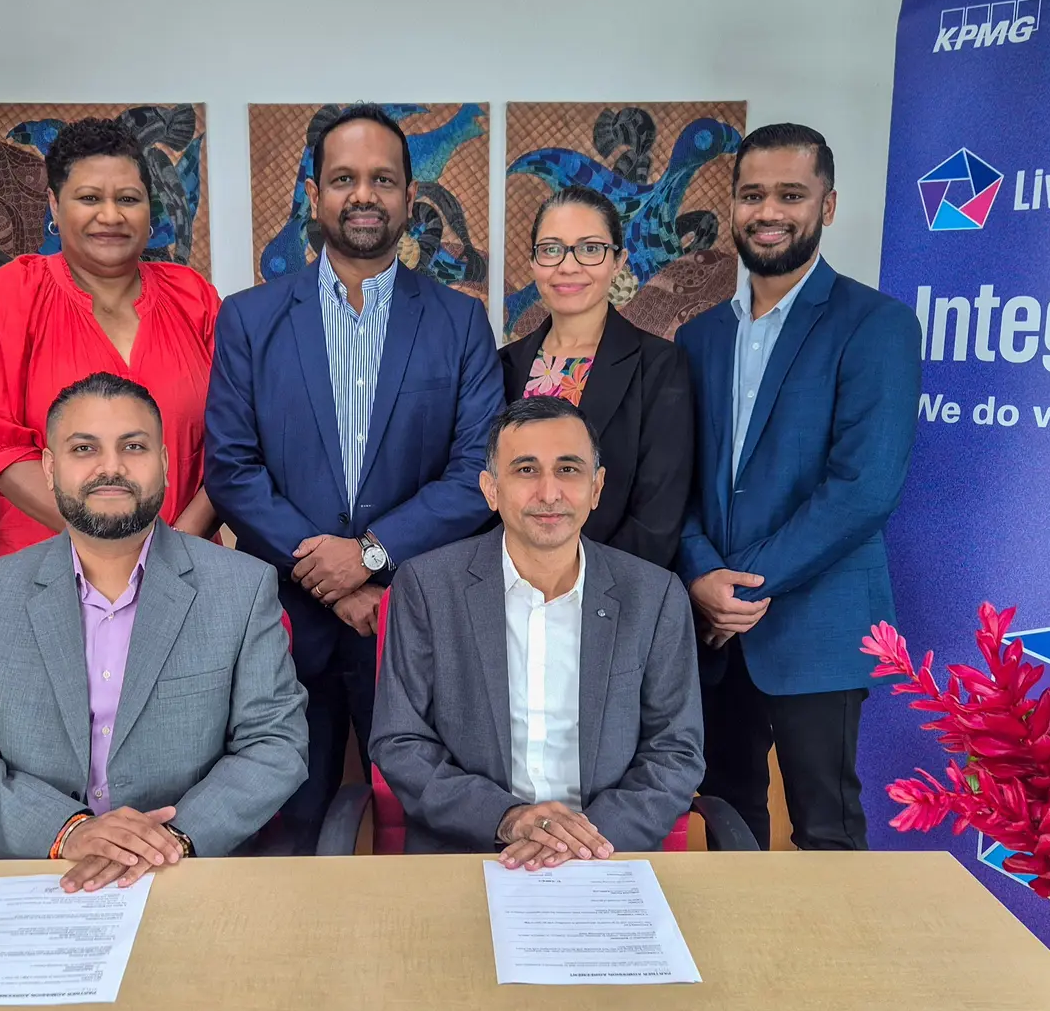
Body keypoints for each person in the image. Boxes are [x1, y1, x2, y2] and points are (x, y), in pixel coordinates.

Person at [205, 103, 503, 852]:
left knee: (421, 826)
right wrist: (329, 572)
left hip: (412, 621)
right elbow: (232, 468)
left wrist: (367, 556)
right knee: (286, 829)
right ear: (313, 195)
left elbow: (476, 472)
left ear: (408, 196)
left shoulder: (461, 323)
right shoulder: (250, 318)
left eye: (381, 179)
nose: (362, 194)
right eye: (343, 178)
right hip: (282, 627)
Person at [0, 372, 308, 884]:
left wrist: (172, 840)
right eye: (84, 448)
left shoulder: (241, 587)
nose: (111, 468)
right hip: (27, 874)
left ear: (165, 464)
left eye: (134, 446)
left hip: (181, 873)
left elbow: (274, 744)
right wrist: (68, 832)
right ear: (51, 469)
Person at [675, 123, 921, 851]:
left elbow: (864, 487)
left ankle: (839, 970)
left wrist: (741, 586)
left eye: (791, 193)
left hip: (816, 623)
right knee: (723, 814)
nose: (769, 211)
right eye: (752, 194)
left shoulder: (875, 325)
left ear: (829, 205)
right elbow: (680, 480)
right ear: (733, 206)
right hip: (712, 629)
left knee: (827, 826)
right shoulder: (698, 338)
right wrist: (698, 574)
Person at [370, 397, 704, 862]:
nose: (549, 493)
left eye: (568, 470)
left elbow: (675, 752)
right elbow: (399, 741)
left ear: (596, 487)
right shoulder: (427, 587)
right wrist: (508, 819)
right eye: (526, 470)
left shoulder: (654, 596)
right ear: (491, 489)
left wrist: (581, 840)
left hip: (609, 857)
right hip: (471, 851)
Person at [0, 116, 221, 561]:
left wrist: (173, 548)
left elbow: (237, 438)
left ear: (149, 208)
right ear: (54, 205)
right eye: (89, 198)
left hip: (187, 567)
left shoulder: (195, 299)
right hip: (42, 570)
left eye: (128, 199)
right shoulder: (12, 295)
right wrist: (120, 542)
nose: (110, 215)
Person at [499, 185, 695, 568]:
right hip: (510, 592)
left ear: (618, 261)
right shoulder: (503, 367)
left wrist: (576, 587)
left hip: (616, 595)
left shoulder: (659, 366)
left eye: (590, 249)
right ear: (534, 262)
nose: (568, 266)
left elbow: (658, 517)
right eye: (552, 249)